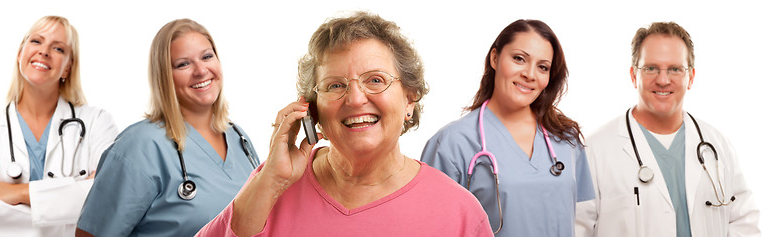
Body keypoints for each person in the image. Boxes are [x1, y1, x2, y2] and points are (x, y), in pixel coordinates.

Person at [196, 11, 491, 236]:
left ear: (409, 100)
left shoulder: (459, 212)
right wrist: (270, 182)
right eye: (335, 86)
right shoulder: (271, 183)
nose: (355, 98)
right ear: (312, 111)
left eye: (375, 80)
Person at [75, 18, 260, 237]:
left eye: (207, 56)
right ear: (164, 76)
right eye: (183, 64)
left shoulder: (240, 139)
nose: (201, 70)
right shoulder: (140, 146)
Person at [574, 22, 760, 237]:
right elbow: (578, 229)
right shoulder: (594, 150)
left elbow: (744, 222)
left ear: (690, 77)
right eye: (651, 68)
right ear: (634, 75)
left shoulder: (718, 146)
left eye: (675, 69)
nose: (663, 80)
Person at [421, 19, 595, 236]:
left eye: (543, 67)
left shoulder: (566, 139)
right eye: (519, 58)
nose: (530, 74)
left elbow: (584, 220)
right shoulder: (452, 143)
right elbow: (431, 225)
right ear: (495, 58)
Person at [0, 16, 119, 236]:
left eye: (58, 48)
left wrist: (19, 193)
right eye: (36, 41)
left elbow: (109, 195)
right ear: (19, 54)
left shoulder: (97, 122)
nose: (44, 51)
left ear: (67, 68)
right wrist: (67, 217)